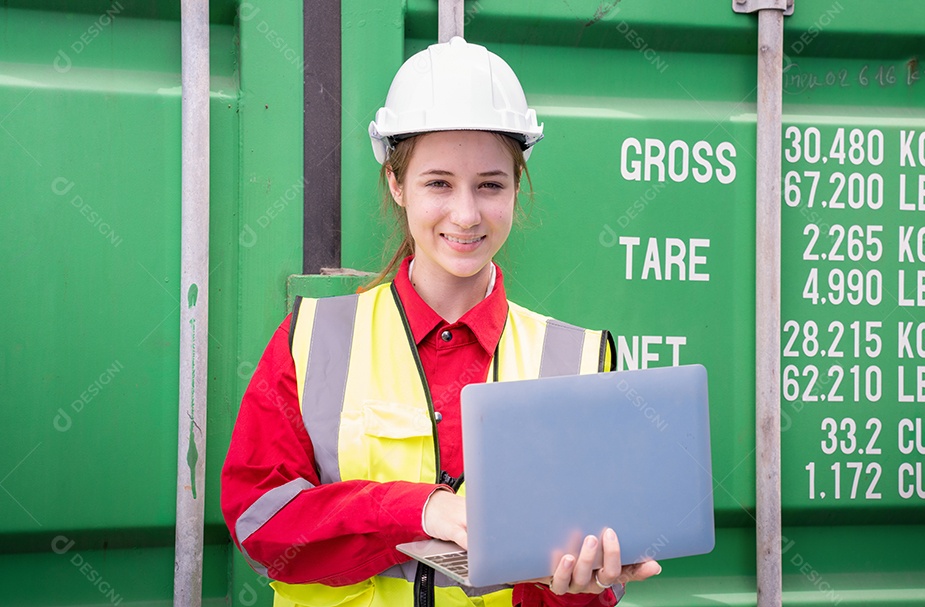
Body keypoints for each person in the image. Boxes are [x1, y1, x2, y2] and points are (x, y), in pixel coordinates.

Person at [221, 37, 661, 607]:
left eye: (490, 185)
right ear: (396, 185)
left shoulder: (575, 360)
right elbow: (261, 524)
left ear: (516, 188)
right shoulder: (313, 340)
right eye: (438, 183)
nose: (466, 214)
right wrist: (415, 509)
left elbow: (583, 580)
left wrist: (582, 589)